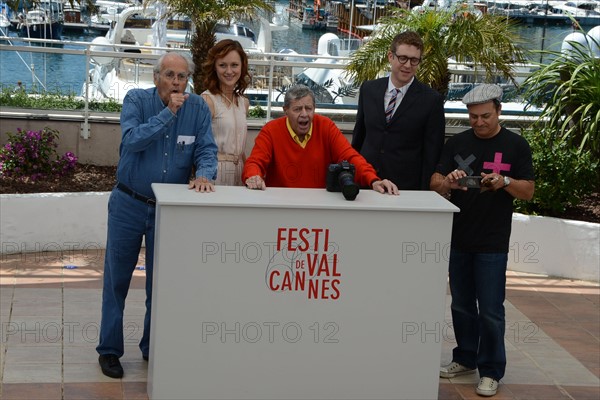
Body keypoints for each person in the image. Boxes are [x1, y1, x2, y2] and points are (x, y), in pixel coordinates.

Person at [97, 52, 218, 379]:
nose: (177, 82)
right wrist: (167, 114)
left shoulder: (197, 109)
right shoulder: (136, 100)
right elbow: (132, 141)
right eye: (170, 75)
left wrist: (206, 173)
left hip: (168, 209)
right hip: (128, 204)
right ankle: (109, 350)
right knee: (116, 280)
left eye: (182, 76)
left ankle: (152, 347)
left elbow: (206, 149)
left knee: (161, 284)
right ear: (156, 78)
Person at [430, 84, 535, 397]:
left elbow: (528, 190)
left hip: (492, 241)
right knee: (462, 305)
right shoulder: (458, 142)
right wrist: (448, 181)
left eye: (485, 116)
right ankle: (465, 358)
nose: (479, 122)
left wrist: (503, 182)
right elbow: (434, 183)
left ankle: (490, 370)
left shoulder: (516, 145)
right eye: (473, 117)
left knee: (490, 309)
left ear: (499, 111)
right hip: (459, 236)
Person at [242, 84, 398, 195]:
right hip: (280, 204)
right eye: (297, 109)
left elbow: (350, 157)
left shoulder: (326, 126)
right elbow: (255, 162)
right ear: (285, 111)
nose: (304, 114)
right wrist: (253, 176)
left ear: (314, 109)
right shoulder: (271, 130)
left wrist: (373, 180)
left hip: (319, 206)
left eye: (308, 108)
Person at [352, 30, 445, 190]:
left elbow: (432, 153)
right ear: (391, 56)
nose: (408, 65)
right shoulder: (368, 89)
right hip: (366, 182)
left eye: (414, 60)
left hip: (405, 189)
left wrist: (423, 194)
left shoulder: (431, 100)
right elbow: (359, 137)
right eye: (403, 58)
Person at [201, 39, 250, 185]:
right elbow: (199, 144)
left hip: (240, 171)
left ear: (242, 67)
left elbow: (241, 150)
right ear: (214, 68)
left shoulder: (243, 102)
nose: (229, 71)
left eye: (234, 65)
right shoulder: (207, 100)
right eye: (223, 65)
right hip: (215, 172)